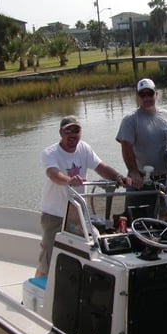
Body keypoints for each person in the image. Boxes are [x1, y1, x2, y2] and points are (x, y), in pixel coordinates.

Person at [36, 115, 131, 278]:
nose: (72, 135)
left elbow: (101, 168)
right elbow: (53, 174)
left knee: (83, 251)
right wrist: (69, 180)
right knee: (49, 257)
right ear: (61, 133)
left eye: (76, 130)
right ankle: (38, 291)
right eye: (68, 131)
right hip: (54, 214)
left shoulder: (84, 148)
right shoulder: (50, 153)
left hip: (76, 214)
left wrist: (118, 177)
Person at [116, 78, 167, 217]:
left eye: (150, 94)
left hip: (165, 180)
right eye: (142, 95)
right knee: (137, 220)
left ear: (156, 94)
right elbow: (126, 147)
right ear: (137, 96)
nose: (147, 98)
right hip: (141, 181)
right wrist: (134, 172)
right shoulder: (130, 120)